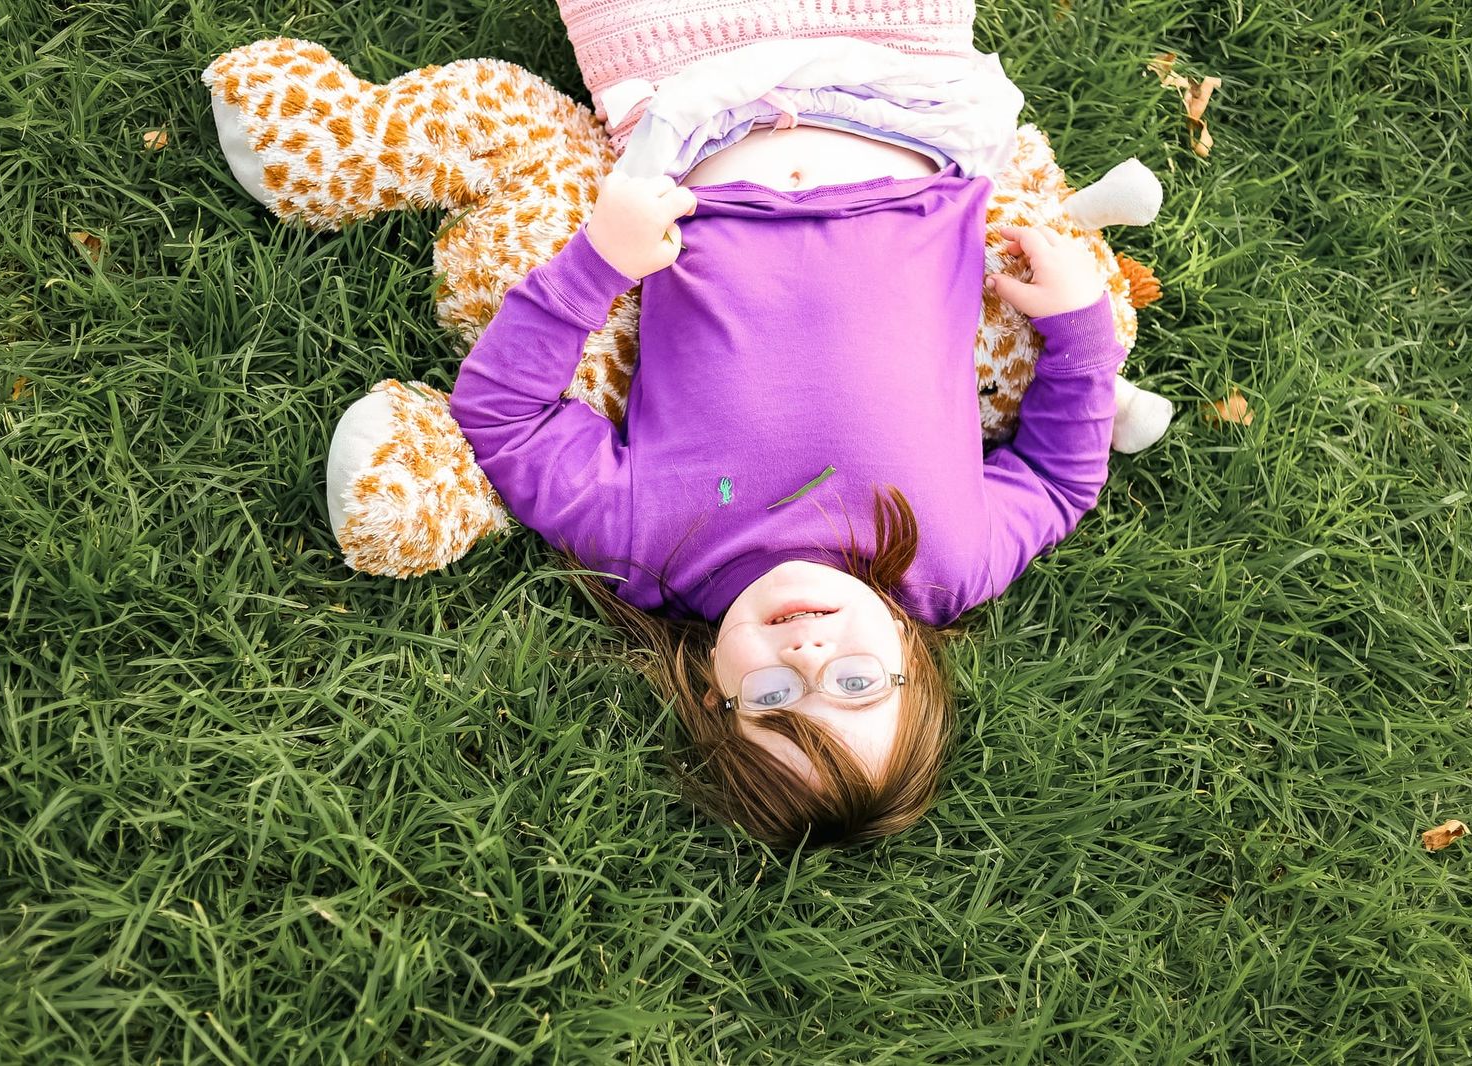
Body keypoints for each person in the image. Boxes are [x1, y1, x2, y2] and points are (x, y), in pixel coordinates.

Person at [448, 118, 1125, 847]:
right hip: (914, 119)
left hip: (698, 123)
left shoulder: (646, 550)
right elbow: (1059, 482)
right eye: (858, 685)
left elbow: (505, 418)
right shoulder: (953, 562)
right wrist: (1084, 331)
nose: (809, 661)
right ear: (910, 658)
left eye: (774, 700)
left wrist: (597, 265)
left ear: (716, 691)